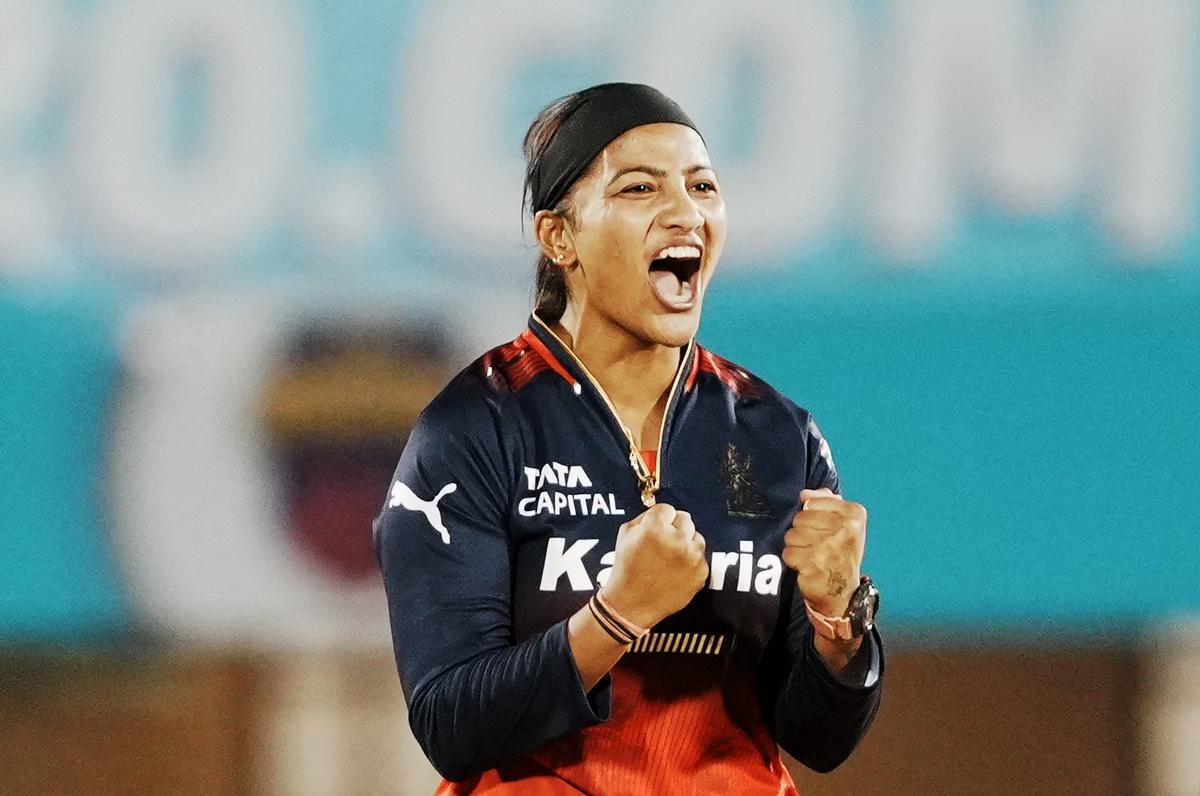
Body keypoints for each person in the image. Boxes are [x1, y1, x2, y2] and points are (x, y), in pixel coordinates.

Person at [374, 82, 883, 795]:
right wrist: (616, 615)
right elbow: (450, 724)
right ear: (560, 237)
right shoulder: (475, 428)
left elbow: (816, 740)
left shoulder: (778, 434)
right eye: (641, 188)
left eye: (702, 186)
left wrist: (839, 624)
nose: (686, 213)